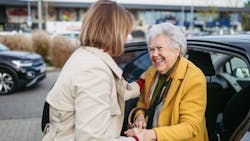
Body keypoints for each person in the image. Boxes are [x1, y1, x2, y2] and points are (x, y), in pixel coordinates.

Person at [42, 1, 144, 141]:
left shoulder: (85, 56)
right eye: (125, 32)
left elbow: (113, 92)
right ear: (114, 32)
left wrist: (141, 83)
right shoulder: (93, 71)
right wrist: (138, 139)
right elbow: (91, 139)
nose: (126, 39)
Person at [125, 22, 209, 141]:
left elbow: (190, 127)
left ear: (177, 49)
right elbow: (142, 103)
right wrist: (140, 116)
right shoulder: (151, 72)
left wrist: (150, 134)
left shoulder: (193, 77)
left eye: (159, 48)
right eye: (151, 49)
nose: (154, 55)